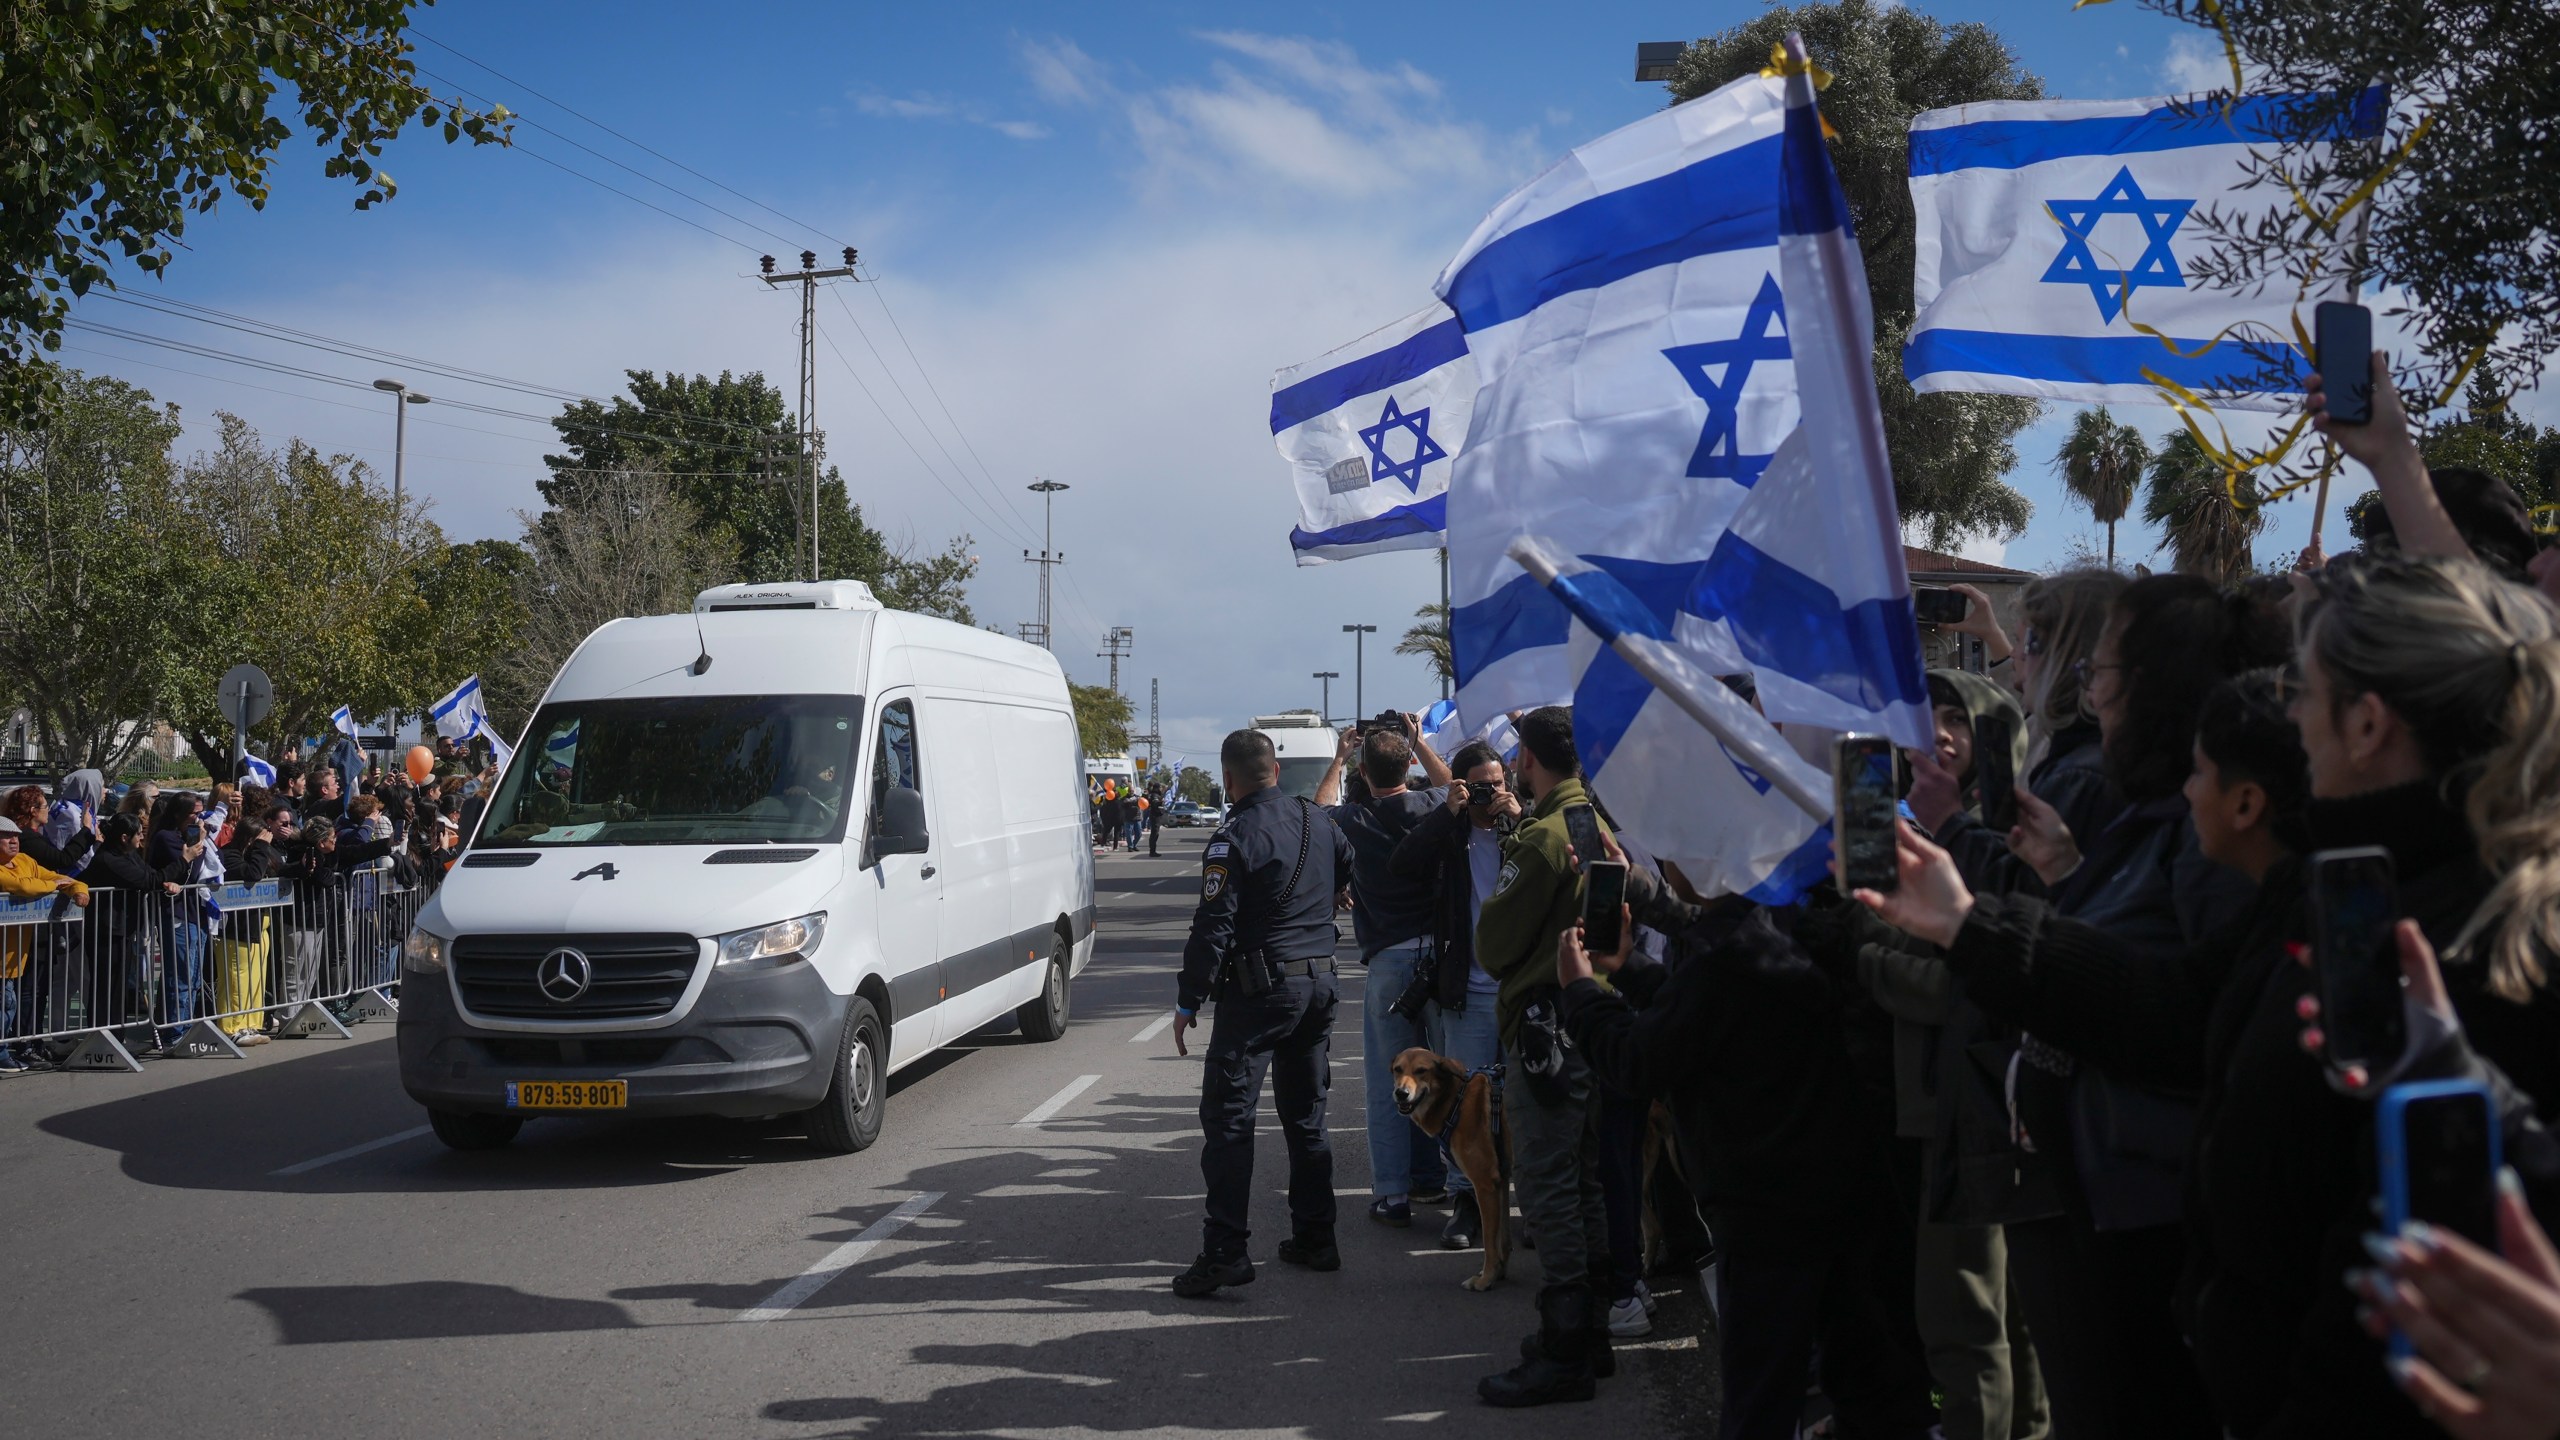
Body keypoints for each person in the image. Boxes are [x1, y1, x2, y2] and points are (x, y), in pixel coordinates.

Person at [1561, 848, 1938, 1440]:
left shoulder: (1723, 953)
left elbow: (1639, 1058)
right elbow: (1706, 1014)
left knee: (1761, 1396)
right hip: (1851, 1188)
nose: (1666, 870)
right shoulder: (1789, 924)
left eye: (1674, 857)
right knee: (1873, 1383)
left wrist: (1581, 992)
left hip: (1765, 1209)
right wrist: (1629, 968)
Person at [1168, 728, 1356, 1299]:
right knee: (1305, 1117)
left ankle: (1225, 1251)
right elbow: (1348, 869)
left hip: (1260, 992)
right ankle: (1316, 1237)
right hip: (1319, 984)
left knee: (1228, 1120)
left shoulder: (1233, 837)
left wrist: (1188, 999)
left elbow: (1213, 927)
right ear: (1275, 770)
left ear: (1228, 779)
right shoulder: (1317, 821)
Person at [1468, 706, 1618, 1407]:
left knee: (1549, 1185)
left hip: (1543, 1029)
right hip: (1588, 1020)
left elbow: (1493, 946)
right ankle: (1589, 1335)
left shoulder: (1543, 836)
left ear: (1526, 759)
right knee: (1581, 1181)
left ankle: (1565, 1352)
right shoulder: (1588, 820)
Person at [1315, 716, 1459, 1229]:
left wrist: (1338, 758)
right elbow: (1455, 789)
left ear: (1364, 769)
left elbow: (1319, 811)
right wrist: (1421, 744)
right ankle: (1442, 1181)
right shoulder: (1430, 806)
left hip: (1390, 962)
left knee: (1391, 1080)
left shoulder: (1354, 819)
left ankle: (1393, 1193)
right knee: (1441, 1076)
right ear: (1407, 765)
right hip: (1442, 961)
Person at [1388, 739, 1520, 1251]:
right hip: (1469, 990)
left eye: (1499, 784)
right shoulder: (1451, 832)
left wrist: (1520, 816)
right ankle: (1466, 1200)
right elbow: (1402, 864)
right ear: (1463, 786)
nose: (1491, 794)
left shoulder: (1524, 829)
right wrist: (1448, 813)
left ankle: (1526, 1207)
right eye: (1481, 785)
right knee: (1464, 1106)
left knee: (1525, 1102)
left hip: (1522, 987)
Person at [0, 816, 90, 1072]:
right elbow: (20, 886)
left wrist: (79, 891)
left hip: (15, 955)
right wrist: (52, 886)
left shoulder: (25, 861)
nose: (14, 842)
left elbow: (64, 878)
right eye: (7, 838)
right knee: (6, 1004)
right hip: (5, 954)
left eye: (16, 837)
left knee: (9, 1003)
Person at [1145, 786, 1164, 858]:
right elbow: (1155, 803)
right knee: (1154, 834)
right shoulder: (1154, 795)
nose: (1161, 789)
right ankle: (1152, 851)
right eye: (1160, 788)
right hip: (1155, 817)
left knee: (1155, 834)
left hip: (1156, 816)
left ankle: (1153, 851)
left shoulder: (1156, 795)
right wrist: (1161, 802)